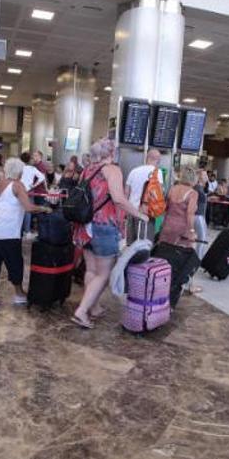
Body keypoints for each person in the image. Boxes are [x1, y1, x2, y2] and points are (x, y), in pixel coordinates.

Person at [72, 140, 147, 329]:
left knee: (91, 270)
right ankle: (82, 311)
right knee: (104, 273)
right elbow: (119, 199)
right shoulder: (112, 169)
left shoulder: (87, 170)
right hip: (104, 225)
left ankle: (94, 307)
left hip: (85, 225)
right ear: (111, 153)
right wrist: (139, 215)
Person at [0, 158, 51, 309]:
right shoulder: (17, 185)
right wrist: (44, 209)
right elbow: (28, 207)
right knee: (15, 263)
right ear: (20, 171)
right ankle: (19, 295)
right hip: (8, 232)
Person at [124, 149, 162, 241]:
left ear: (146, 158)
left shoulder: (134, 171)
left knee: (130, 244)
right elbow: (158, 194)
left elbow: (126, 194)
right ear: (158, 160)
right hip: (146, 214)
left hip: (131, 212)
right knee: (144, 245)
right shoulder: (157, 172)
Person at [158, 166, 199, 248]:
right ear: (194, 179)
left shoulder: (172, 189)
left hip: (168, 225)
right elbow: (190, 213)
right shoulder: (193, 193)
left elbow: (165, 209)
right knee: (179, 254)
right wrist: (191, 230)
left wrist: (162, 224)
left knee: (163, 251)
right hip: (182, 229)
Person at [19, 151, 47, 237]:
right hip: (30, 191)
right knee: (28, 211)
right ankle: (27, 231)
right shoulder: (33, 168)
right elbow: (42, 178)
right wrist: (33, 185)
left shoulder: (20, 168)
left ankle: (19, 230)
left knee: (19, 210)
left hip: (19, 191)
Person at [193, 169, 210, 259]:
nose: (206, 177)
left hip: (199, 216)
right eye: (204, 175)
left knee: (200, 238)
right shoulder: (197, 188)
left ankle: (196, 257)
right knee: (202, 239)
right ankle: (197, 259)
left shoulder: (200, 188)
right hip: (197, 216)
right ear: (199, 178)